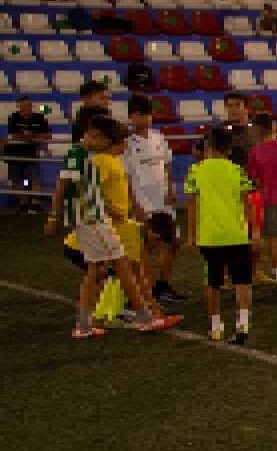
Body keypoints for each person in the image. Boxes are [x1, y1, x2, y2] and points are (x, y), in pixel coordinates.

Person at [46, 114, 181, 338]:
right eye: (92, 136)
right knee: (122, 266)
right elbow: (70, 187)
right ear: (104, 139)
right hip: (92, 220)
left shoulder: (88, 155)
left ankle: (85, 325)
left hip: (94, 219)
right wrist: (54, 216)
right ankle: (145, 319)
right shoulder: (81, 155)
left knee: (98, 272)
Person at [186, 121, 258, 344]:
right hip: (237, 234)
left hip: (210, 237)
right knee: (242, 281)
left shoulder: (196, 171)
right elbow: (248, 204)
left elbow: (192, 207)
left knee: (213, 282)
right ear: (229, 149)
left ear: (207, 146)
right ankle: (243, 324)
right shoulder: (237, 170)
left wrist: (191, 235)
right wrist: (254, 231)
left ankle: (216, 326)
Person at [121, 98, 180, 306]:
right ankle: (143, 288)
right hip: (143, 201)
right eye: (139, 114)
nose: (144, 118)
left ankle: (162, 286)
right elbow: (125, 177)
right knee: (145, 246)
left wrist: (171, 188)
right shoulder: (126, 144)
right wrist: (134, 205)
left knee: (171, 243)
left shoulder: (159, 137)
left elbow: (166, 166)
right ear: (131, 116)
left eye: (147, 114)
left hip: (163, 199)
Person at [246, 113, 277, 283]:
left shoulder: (256, 151)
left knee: (275, 239)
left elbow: (254, 178)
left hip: (270, 199)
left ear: (258, 129)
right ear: (273, 127)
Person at [7, 95, 47, 212]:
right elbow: (14, 135)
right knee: (18, 180)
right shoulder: (13, 118)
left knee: (34, 179)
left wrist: (30, 136)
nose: (26, 109)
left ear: (31, 106)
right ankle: (23, 204)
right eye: (23, 107)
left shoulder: (39, 118)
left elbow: (47, 135)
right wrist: (31, 137)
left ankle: (35, 204)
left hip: (31, 155)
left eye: (28, 106)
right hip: (14, 155)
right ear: (19, 107)